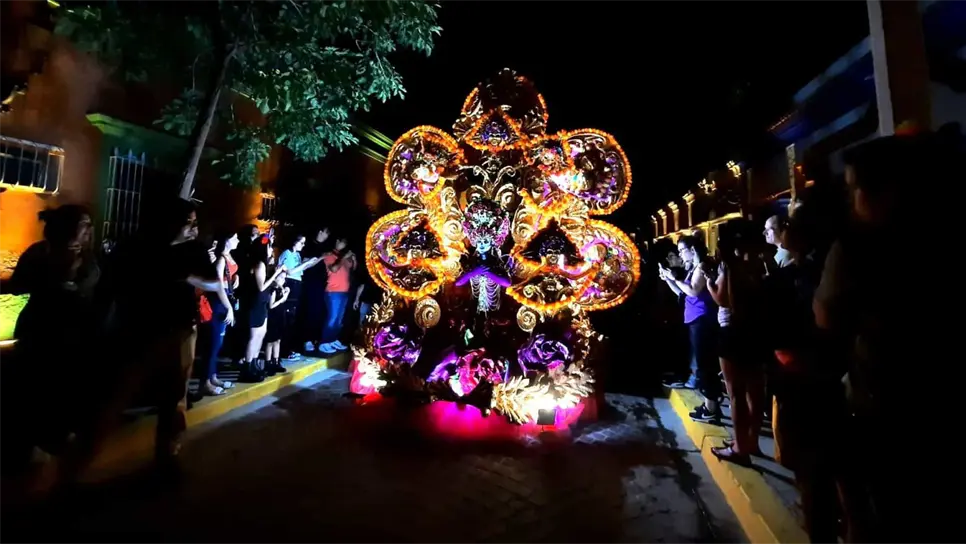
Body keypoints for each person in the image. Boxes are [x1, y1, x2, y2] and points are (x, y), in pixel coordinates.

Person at [7, 205, 100, 461]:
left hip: (75, 333)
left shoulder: (89, 256)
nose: (90, 229)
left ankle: (58, 439)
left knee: (65, 387)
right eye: (84, 223)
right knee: (35, 386)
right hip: (42, 329)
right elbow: (17, 286)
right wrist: (58, 281)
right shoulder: (41, 252)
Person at [659, 234, 721, 421]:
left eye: (682, 251)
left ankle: (711, 407)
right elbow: (682, 293)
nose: (680, 255)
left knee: (705, 364)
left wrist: (675, 278)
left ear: (692, 250)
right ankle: (709, 403)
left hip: (703, 319)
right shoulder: (693, 267)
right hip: (695, 319)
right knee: (702, 363)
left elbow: (693, 290)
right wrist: (668, 279)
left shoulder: (702, 266)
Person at [239, 239, 286, 381]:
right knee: (254, 336)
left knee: (261, 334)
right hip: (256, 303)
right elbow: (261, 286)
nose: (271, 249)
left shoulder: (263, 264)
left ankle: (253, 364)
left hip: (262, 303)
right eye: (269, 247)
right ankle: (247, 367)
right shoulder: (258, 265)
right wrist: (275, 274)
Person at [202, 231, 239, 395]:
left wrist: (234, 281)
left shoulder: (228, 256)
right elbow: (218, 285)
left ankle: (213, 376)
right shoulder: (221, 259)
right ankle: (206, 382)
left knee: (219, 342)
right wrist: (229, 307)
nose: (237, 240)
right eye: (234, 237)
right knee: (213, 343)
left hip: (225, 300)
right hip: (219, 302)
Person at [276, 234, 322, 359]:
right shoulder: (287, 253)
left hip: (297, 283)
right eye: (301, 242)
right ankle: (283, 350)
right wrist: (304, 264)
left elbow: (301, 269)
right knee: (287, 317)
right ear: (294, 242)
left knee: (293, 318)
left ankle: (288, 348)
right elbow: (290, 271)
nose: (303, 245)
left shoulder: (297, 254)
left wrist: (312, 261)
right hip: (289, 283)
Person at [318, 238, 356, 354]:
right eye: (342, 242)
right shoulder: (329, 255)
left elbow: (353, 268)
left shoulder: (342, 257)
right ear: (337, 241)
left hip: (344, 291)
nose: (344, 245)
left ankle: (333, 339)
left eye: (345, 243)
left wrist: (354, 259)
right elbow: (333, 269)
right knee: (332, 317)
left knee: (339, 319)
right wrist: (343, 258)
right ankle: (324, 342)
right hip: (333, 291)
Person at [263, 271, 291, 375]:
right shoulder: (273, 290)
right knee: (270, 341)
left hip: (280, 316)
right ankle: (268, 363)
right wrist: (282, 299)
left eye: (284, 278)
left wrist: (286, 294)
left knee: (278, 340)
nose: (282, 280)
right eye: (280, 278)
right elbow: (271, 305)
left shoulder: (281, 289)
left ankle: (276, 361)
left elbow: (283, 300)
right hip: (273, 317)